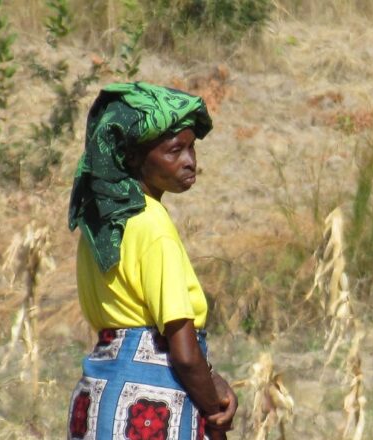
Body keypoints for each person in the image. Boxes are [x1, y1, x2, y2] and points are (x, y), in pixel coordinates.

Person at [66, 82, 236, 440]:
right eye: (175, 150)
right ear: (132, 158)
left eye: (192, 147)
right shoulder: (152, 223)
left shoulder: (100, 222)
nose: (190, 161)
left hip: (96, 402)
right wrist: (215, 421)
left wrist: (213, 380)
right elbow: (184, 354)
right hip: (151, 408)